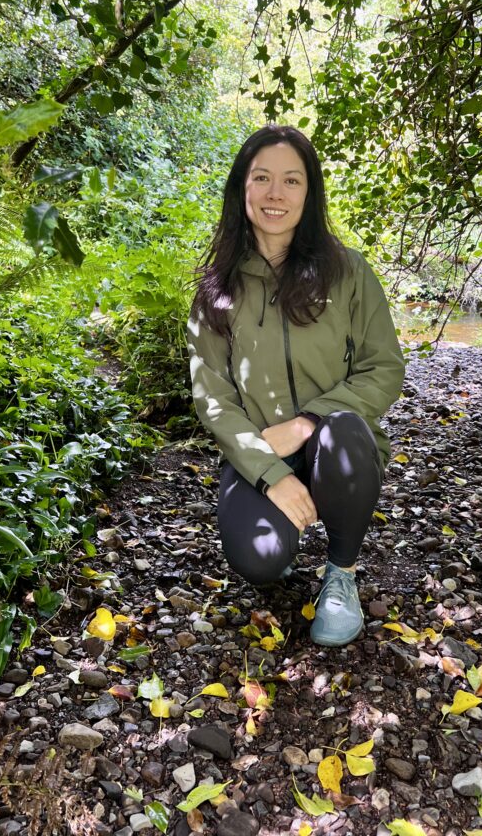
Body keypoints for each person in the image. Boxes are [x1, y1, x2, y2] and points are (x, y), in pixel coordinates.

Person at [187, 125, 405, 647]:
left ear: (310, 193)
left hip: (335, 443)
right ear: (242, 189)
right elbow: (212, 399)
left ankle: (341, 573)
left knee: (345, 433)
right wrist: (269, 473)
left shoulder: (347, 272)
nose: (275, 193)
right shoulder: (217, 289)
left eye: (291, 180)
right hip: (260, 451)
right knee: (257, 562)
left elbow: (384, 367)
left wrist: (309, 423)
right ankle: (282, 541)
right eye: (261, 178)